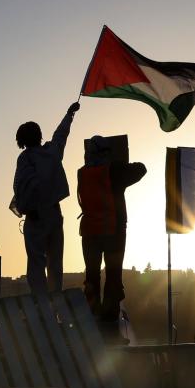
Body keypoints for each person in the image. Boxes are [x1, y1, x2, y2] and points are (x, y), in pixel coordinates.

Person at [12, 102, 80, 295]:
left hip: (36, 216)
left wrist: (27, 207)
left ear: (21, 140)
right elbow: (61, 134)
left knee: (36, 263)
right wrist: (69, 114)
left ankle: (41, 305)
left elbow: (23, 187)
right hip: (54, 214)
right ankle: (56, 304)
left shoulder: (25, 159)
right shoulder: (52, 152)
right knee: (55, 263)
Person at [77, 136, 146, 325]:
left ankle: (91, 316)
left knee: (91, 276)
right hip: (112, 230)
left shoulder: (82, 172)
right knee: (113, 275)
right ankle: (109, 320)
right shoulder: (114, 170)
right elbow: (141, 169)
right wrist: (119, 160)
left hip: (90, 232)